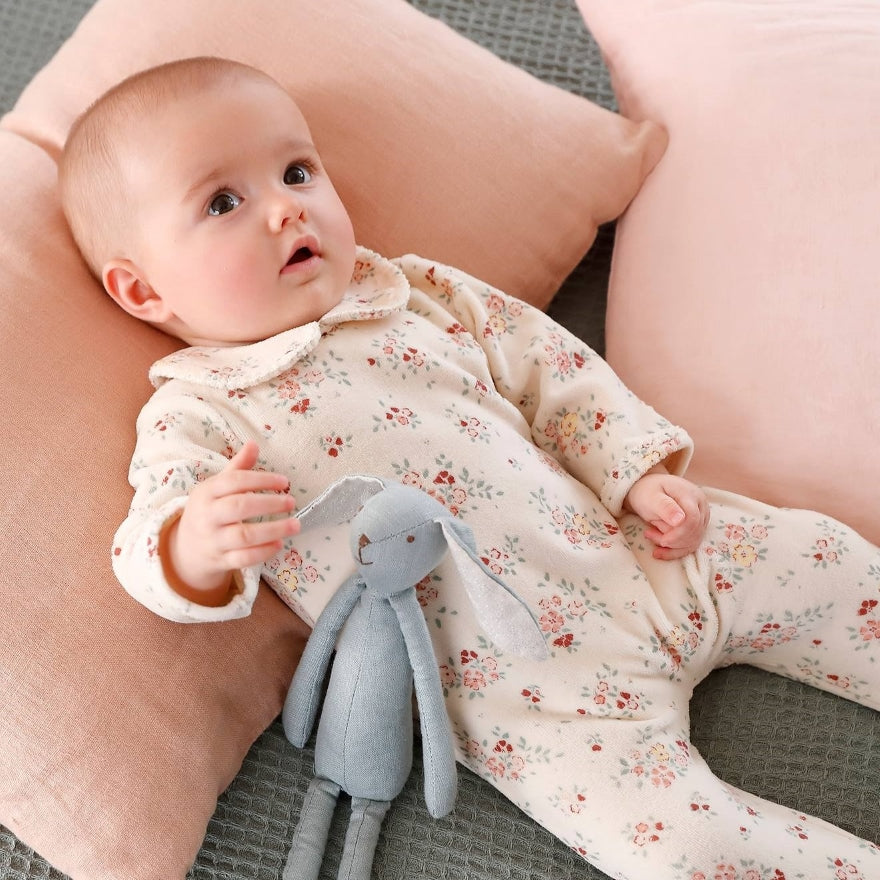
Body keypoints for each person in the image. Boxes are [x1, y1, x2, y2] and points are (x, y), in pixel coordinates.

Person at [59, 57, 879, 880]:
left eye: (297, 171)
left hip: (644, 550)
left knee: (826, 565)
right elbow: (144, 545)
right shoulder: (199, 413)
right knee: (681, 851)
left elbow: (554, 371)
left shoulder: (414, 291)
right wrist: (192, 548)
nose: (285, 208)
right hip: (535, 694)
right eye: (223, 203)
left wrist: (635, 471)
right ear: (142, 292)